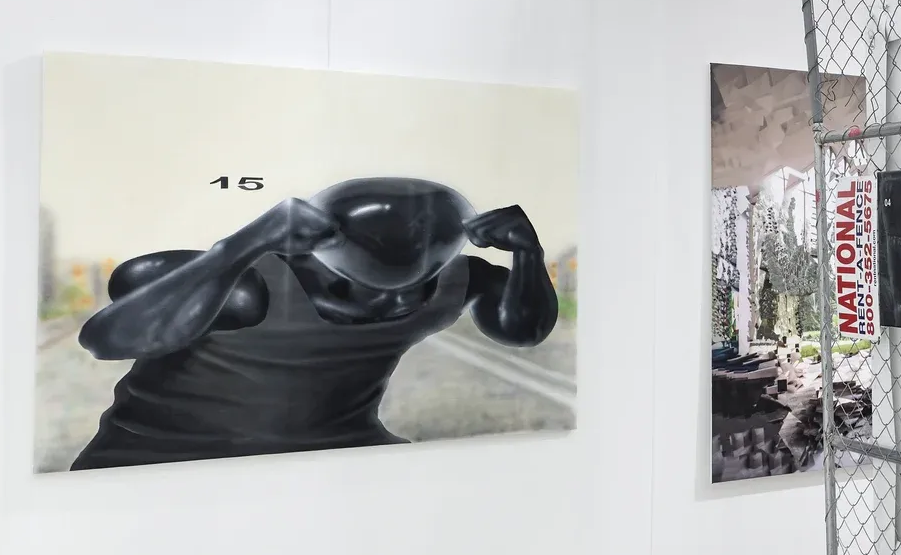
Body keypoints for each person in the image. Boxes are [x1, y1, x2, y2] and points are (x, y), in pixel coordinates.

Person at [71, 177, 559, 469]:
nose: (389, 303)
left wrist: (528, 256)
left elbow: (524, 332)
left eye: (409, 289)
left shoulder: (456, 280)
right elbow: (104, 339)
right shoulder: (245, 286)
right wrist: (242, 245)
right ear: (316, 255)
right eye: (358, 284)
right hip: (163, 456)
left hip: (338, 450)